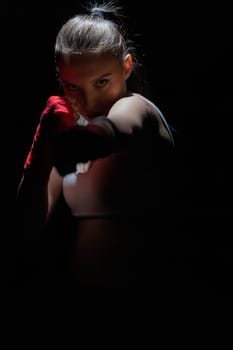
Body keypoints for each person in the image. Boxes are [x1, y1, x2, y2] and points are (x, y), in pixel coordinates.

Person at [15, 0, 175, 290]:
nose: (89, 103)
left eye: (102, 82)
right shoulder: (72, 131)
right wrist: (38, 157)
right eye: (72, 87)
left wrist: (87, 140)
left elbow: (119, 127)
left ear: (126, 66)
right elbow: (26, 228)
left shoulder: (137, 108)